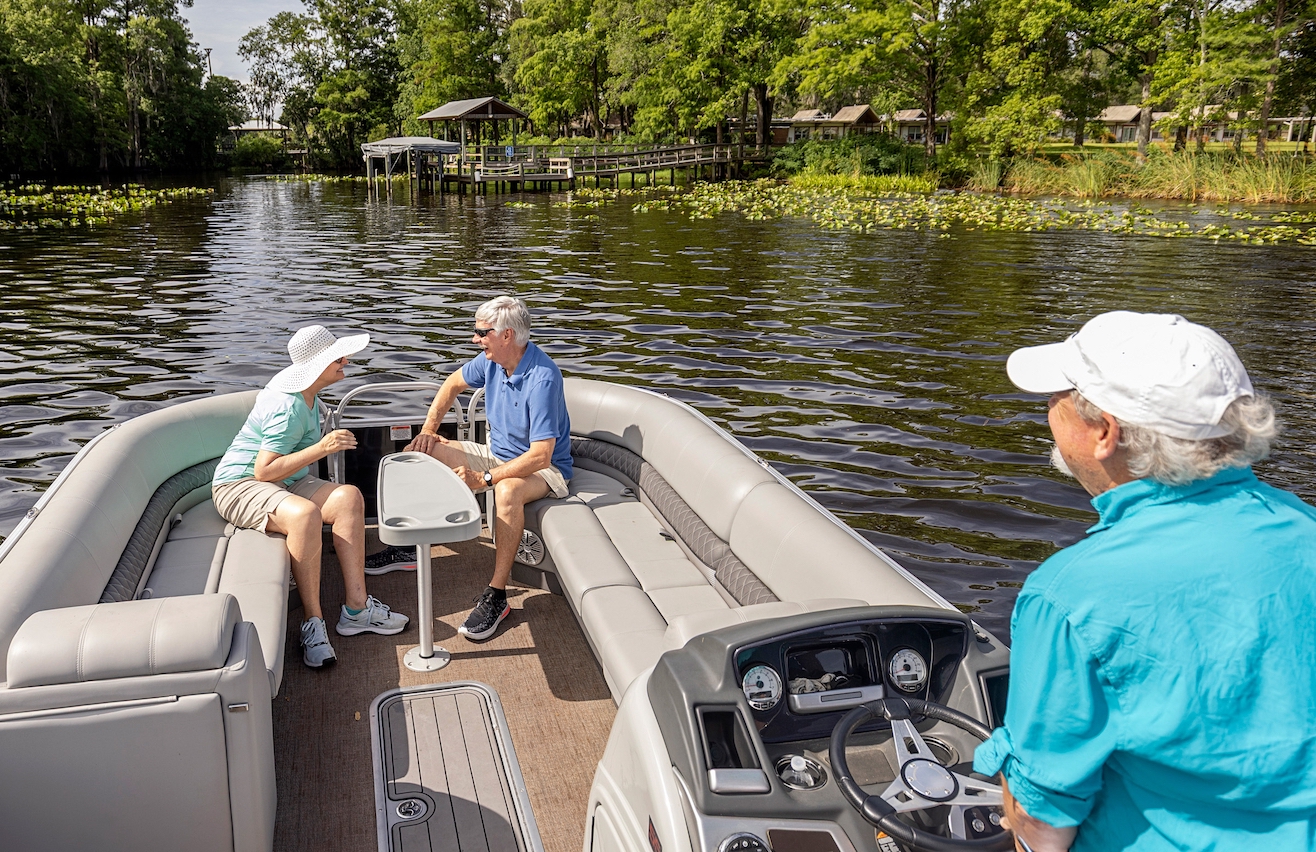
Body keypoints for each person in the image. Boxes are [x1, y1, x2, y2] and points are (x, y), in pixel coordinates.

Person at [973, 311, 1316, 851]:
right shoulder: (1305, 525)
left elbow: (1043, 827)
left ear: (1106, 433)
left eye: (1056, 400)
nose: (1047, 414)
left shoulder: (1068, 594)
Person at [212, 325, 410, 668]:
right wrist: (322, 447)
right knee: (305, 515)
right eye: (338, 358)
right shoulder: (288, 406)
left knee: (349, 498)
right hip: (238, 486)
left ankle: (357, 610)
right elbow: (263, 471)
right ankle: (312, 624)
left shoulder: (309, 394)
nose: (345, 361)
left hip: (285, 482)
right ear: (317, 366)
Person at [406, 296, 572, 641]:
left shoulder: (543, 379)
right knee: (423, 452)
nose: (475, 339)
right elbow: (452, 384)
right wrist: (427, 431)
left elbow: (541, 456)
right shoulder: (492, 362)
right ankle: (412, 543)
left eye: (482, 332)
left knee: (508, 489)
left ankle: (497, 595)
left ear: (506, 335)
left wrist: (484, 478)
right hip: (497, 452)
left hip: (546, 469)